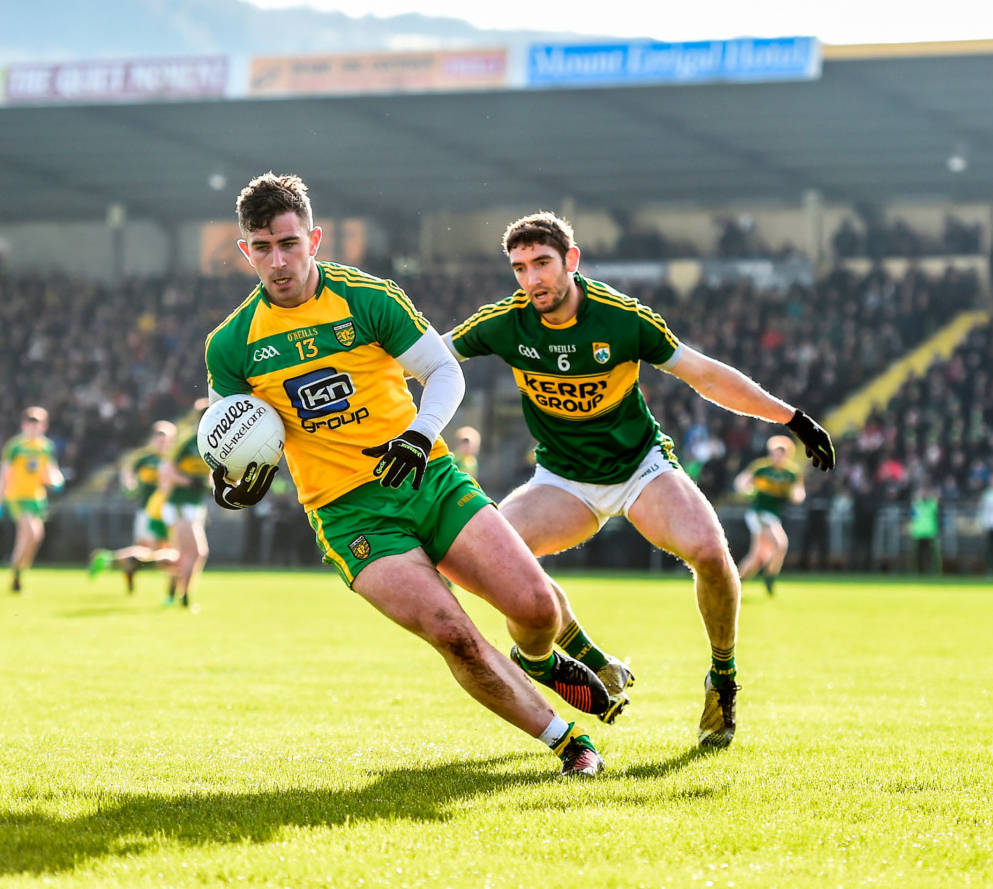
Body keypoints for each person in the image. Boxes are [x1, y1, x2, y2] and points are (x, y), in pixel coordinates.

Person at [203, 173, 610, 778]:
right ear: (245, 251)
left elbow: (445, 372)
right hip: (349, 514)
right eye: (262, 248)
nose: (278, 260)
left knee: (535, 607)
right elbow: (229, 429)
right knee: (454, 633)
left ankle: (541, 660)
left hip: (428, 476)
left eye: (288, 243)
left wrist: (419, 434)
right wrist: (228, 475)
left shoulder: (368, 298)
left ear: (314, 238)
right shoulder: (231, 345)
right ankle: (569, 744)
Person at [443, 211, 835, 748]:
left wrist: (789, 417)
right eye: (520, 268)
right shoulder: (503, 323)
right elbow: (426, 357)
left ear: (571, 261)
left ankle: (722, 680)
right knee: (479, 563)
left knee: (711, 551)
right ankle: (566, 658)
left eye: (542, 264)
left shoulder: (621, 319)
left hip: (639, 470)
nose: (532, 280)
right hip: (562, 480)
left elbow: (704, 374)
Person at [88, 420, 180, 593]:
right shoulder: (145, 459)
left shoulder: (174, 459)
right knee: (160, 553)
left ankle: (109, 559)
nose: (163, 443)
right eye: (160, 439)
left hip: (169, 511)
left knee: (154, 553)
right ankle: (172, 594)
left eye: (167, 439)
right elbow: (128, 475)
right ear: (153, 439)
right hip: (148, 512)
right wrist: (129, 486)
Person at [0, 406, 65, 593]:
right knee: (30, 529)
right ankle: (15, 572)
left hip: (36, 497)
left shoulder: (45, 446)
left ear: (43, 426)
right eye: (30, 423)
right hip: (17, 496)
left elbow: (49, 471)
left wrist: (56, 480)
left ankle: (18, 573)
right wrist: (1, 499)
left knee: (35, 536)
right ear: (24, 425)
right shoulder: (15, 446)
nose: (33, 428)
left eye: (38, 424)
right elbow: (5, 474)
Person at [156, 401, 212, 609]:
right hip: (179, 503)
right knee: (197, 552)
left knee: (182, 554)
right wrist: (190, 482)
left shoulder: (216, 442)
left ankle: (172, 593)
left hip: (194, 504)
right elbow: (166, 470)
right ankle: (184, 597)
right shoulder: (188, 440)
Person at [734, 435, 806, 595]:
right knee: (780, 544)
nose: (778, 457)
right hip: (759, 513)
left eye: (782, 453)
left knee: (757, 557)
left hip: (773, 514)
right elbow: (742, 481)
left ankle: (735, 584)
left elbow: (799, 491)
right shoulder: (761, 468)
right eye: (775, 453)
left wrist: (797, 496)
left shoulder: (791, 472)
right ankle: (770, 579)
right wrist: (746, 489)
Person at [977, 475, 993, 576]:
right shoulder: (986, 495)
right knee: (989, 549)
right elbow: (983, 511)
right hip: (989, 525)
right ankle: (990, 569)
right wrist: (983, 525)